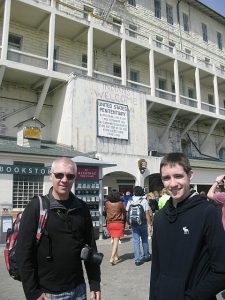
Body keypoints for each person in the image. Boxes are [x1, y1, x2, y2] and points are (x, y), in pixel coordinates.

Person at [16, 157, 101, 300]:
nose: (64, 179)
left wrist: (95, 284)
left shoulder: (81, 207)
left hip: (79, 289)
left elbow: (90, 247)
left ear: (74, 178)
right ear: (51, 176)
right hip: (48, 293)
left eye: (70, 176)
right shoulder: (37, 207)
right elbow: (23, 253)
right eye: (59, 175)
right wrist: (33, 293)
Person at [149, 152, 225, 300]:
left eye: (178, 176)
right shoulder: (159, 217)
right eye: (166, 178)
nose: (172, 184)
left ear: (190, 175)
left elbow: (221, 270)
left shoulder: (207, 212)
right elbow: (156, 270)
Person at [126, 186, 152, 266]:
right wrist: (149, 224)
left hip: (134, 223)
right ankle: (146, 256)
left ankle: (137, 259)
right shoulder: (144, 200)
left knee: (136, 241)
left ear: (134, 192)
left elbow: (127, 212)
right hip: (143, 223)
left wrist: (129, 223)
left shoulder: (130, 200)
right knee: (144, 240)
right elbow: (147, 213)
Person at [105, 189, 125, 265]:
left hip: (110, 223)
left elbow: (105, 212)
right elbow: (123, 212)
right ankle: (112, 257)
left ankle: (116, 255)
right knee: (116, 241)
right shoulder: (120, 203)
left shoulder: (107, 203)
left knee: (113, 239)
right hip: (118, 222)